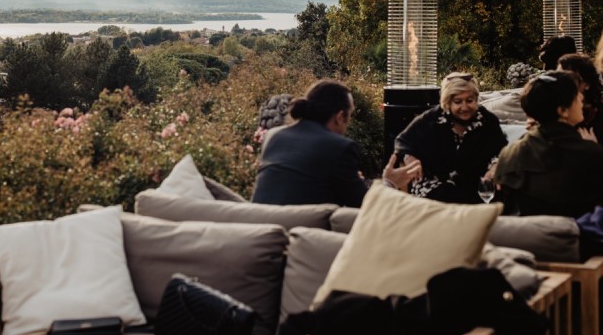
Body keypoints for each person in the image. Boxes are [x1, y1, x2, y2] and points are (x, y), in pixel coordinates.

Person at [251, 80, 420, 207]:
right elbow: (364, 207)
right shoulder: (338, 146)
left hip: (259, 226)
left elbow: (296, 188)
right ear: (340, 117)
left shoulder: (273, 136)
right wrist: (389, 182)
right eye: (350, 115)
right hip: (300, 237)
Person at [495, 71, 603, 217]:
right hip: (576, 236)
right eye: (576, 95)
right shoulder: (591, 155)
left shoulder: (509, 153)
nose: (581, 97)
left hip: (527, 235)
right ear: (563, 111)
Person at [394, 72, 508, 204]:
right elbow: (402, 141)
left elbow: (502, 149)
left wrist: (496, 166)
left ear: (476, 100)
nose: (464, 107)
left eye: (469, 100)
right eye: (458, 102)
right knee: (447, 199)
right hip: (435, 184)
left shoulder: (487, 120)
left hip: (475, 183)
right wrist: (410, 158)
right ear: (448, 102)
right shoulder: (431, 119)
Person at [557, 53, 603, 142]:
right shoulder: (554, 111)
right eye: (559, 76)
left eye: (570, 78)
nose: (562, 83)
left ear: (587, 84)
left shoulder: (598, 115)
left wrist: (593, 148)